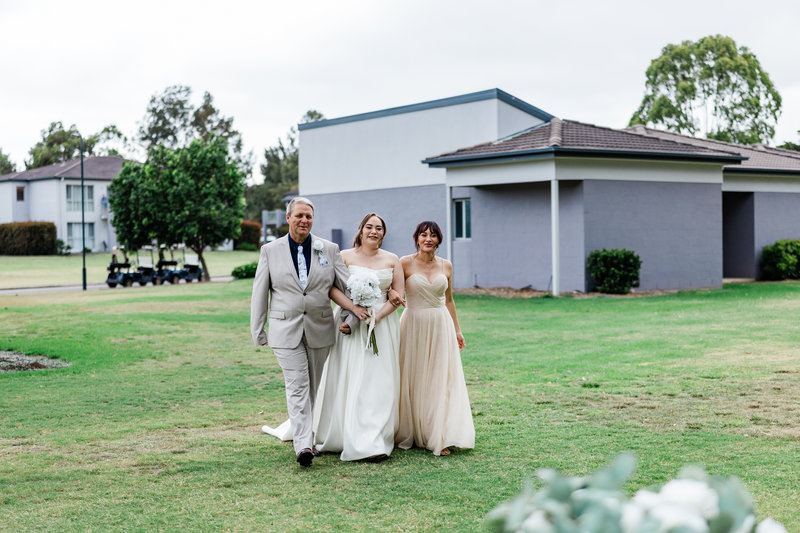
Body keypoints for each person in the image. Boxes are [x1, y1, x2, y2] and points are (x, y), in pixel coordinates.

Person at [250, 197, 368, 467]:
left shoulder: (329, 249)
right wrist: (258, 330)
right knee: (298, 384)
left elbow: (347, 286)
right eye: (299, 215)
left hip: (320, 328)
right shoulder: (270, 251)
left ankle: (308, 437)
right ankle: (303, 445)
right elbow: (260, 292)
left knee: (313, 387)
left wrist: (352, 317)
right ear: (288, 218)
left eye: (309, 216)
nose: (304, 220)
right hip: (284, 329)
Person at [313, 213, 404, 461]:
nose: (374, 231)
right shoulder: (344, 256)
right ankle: (342, 432)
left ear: (384, 233)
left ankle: (373, 439)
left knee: (378, 380)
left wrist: (377, 317)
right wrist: (354, 309)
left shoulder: (392, 259)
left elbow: (399, 296)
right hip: (348, 323)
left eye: (379, 228)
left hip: (382, 326)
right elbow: (332, 288)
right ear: (361, 230)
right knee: (349, 375)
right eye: (369, 227)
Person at [396, 221, 475, 456]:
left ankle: (437, 434)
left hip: (441, 325)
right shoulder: (404, 263)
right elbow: (393, 291)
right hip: (413, 324)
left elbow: (449, 300)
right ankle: (411, 430)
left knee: (439, 379)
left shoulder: (446, 265)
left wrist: (457, 330)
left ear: (439, 239)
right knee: (413, 377)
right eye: (423, 235)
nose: (428, 239)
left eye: (433, 235)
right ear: (417, 238)